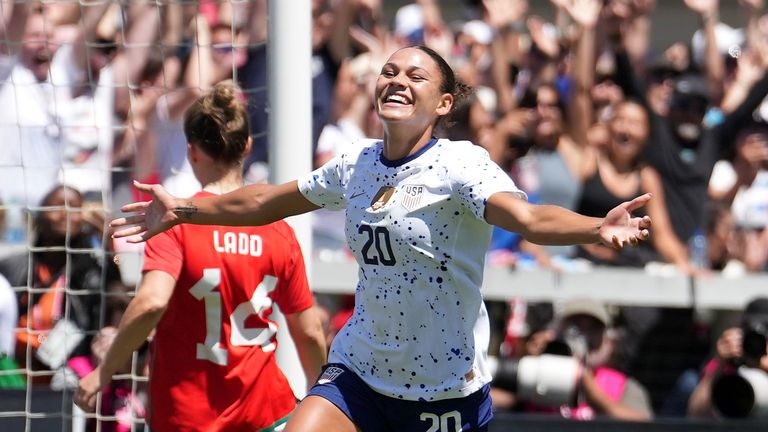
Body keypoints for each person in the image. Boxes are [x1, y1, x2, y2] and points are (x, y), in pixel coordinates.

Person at [108, 46, 653, 432]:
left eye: (416, 76)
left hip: (443, 389)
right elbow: (262, 201)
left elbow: (526, 220)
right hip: (359, 373)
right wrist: (182, 209)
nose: (397, 79)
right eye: (389, 70)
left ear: (443, 104)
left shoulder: (461, 165)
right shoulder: (357, 164)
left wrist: (595, 228)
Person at [74, 82, 328, 432]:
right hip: (267, 414)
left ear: (192, 151)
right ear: (248, 146)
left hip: (187, 417)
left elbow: (150, 303)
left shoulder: (173, 222)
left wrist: (104, 371)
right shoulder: (278, 230)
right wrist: (325, 400)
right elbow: (310, 331)